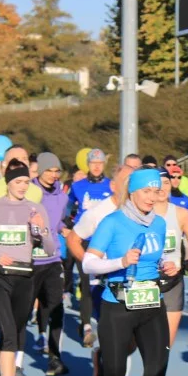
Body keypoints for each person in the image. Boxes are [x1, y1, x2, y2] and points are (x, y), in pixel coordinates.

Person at [81, 168, 177, 376]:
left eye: (156, 191)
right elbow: (88, 263)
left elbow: (154, 258)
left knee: (156, 374)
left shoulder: (159, 224)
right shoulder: (112, 222)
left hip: (151, 303)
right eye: (146, 191)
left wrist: (166, 266)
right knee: (113, 375)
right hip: (117, 306)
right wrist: (120, 262)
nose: (153, 196)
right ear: (132, 192)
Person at [123, 169, 188, 376]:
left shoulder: (180, 215)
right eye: (157, 185)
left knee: (162, 352)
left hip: (171, 287)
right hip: (144, 286)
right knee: (130, 345)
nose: (162, 189)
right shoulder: (140, 215)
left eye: (167, 184)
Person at [0, 159, 55, 376]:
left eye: (26, 181)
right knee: (9, 333)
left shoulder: (36, 208)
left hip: (25, 277)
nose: (23, 186)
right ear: (8, 183)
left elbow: (50, 248)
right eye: (19, 182)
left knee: (8, 336)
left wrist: (39, 228)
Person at [66, 148, 114, 348]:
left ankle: (105, 321)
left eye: (100, 163)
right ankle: (86, 326)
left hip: (106, 241)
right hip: (84, 240)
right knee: (86, 283)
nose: (96, 166)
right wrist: (68, 229)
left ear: (104, 165)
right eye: (93, 163)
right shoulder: (78, 186)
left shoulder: (111, 186)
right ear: (88, 165)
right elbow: (66, 210)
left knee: (104, 283)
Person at [30, 152, 71, 376]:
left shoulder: (62, 196)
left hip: (53, 258)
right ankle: (12, 365)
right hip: (30, 260)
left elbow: (58, 220)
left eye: (57, 171)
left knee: (56, 308)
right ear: (40, 171)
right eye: (49, 170)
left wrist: (65, 229)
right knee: (23, 310)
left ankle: (55, 359)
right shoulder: (29, 192)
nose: (53, 175)